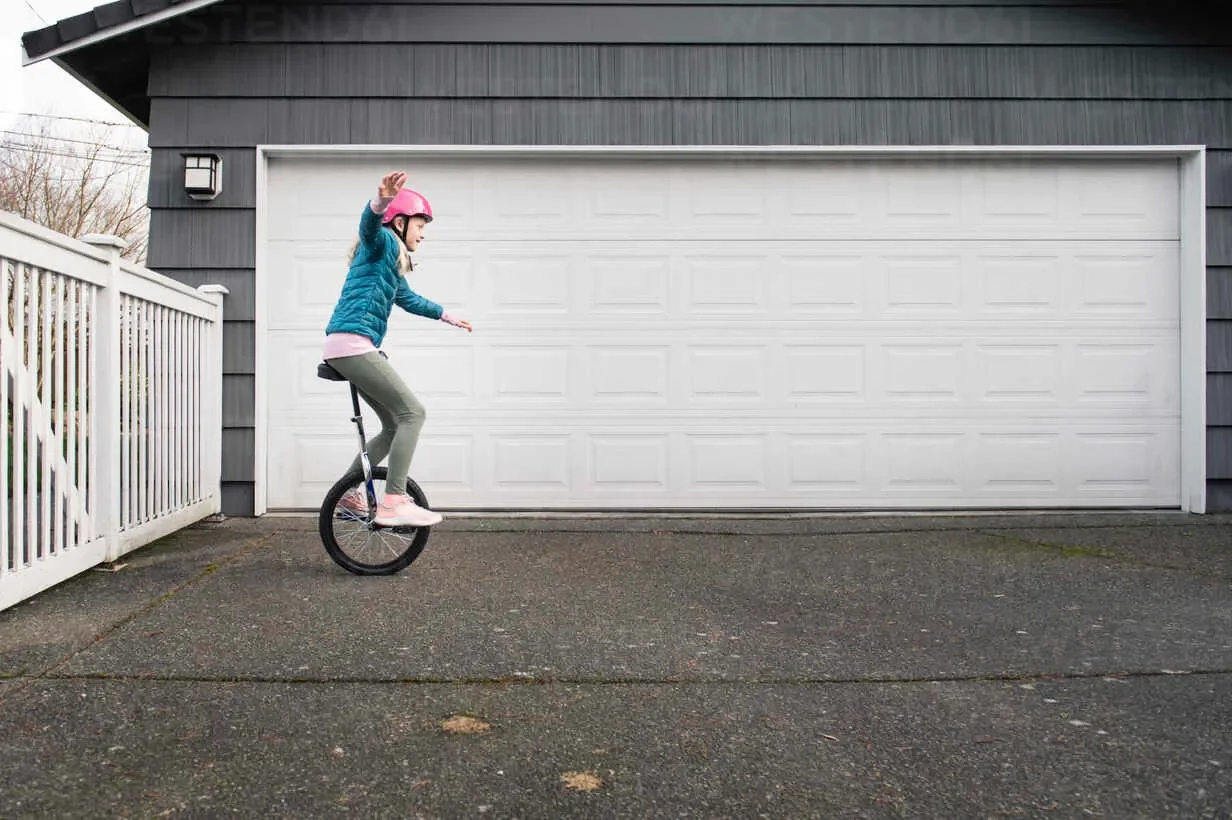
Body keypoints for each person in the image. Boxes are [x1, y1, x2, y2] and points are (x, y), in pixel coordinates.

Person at [323, 170, 472, 527]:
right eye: (420, 225)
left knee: (394, 423)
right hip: (351, 342)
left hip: (349, 344)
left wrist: (448, 316)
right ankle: (393, 501)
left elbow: (408, 299)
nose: (423, 233)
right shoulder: (384, 244)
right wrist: (381, 202)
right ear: (400, 222)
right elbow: (368, 230)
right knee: (413, 414)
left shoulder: (390, 264)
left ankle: (348, 494)